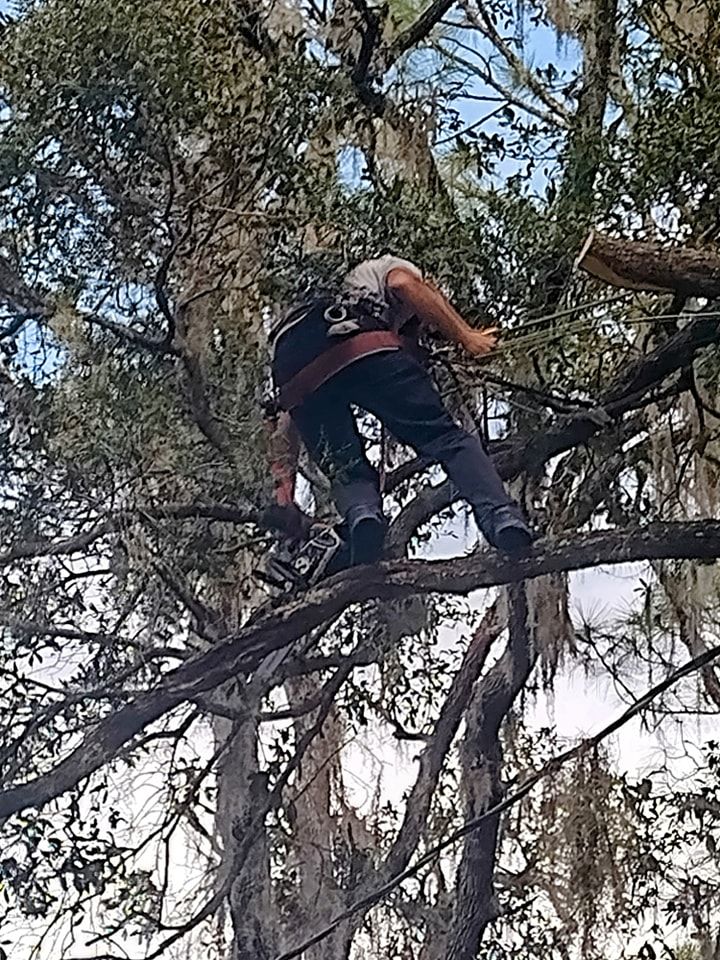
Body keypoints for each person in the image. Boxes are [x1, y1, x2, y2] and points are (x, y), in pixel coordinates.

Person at [268, 254, 533, 570]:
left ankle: (363, 515)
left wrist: (283, 498)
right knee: (447, 438)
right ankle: (500, 516)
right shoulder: (385, 267)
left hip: (291, 368)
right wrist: (466, 336)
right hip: (358, 339)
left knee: (346, 467)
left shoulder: (300, 313)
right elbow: (404, 284)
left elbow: (285, 426)